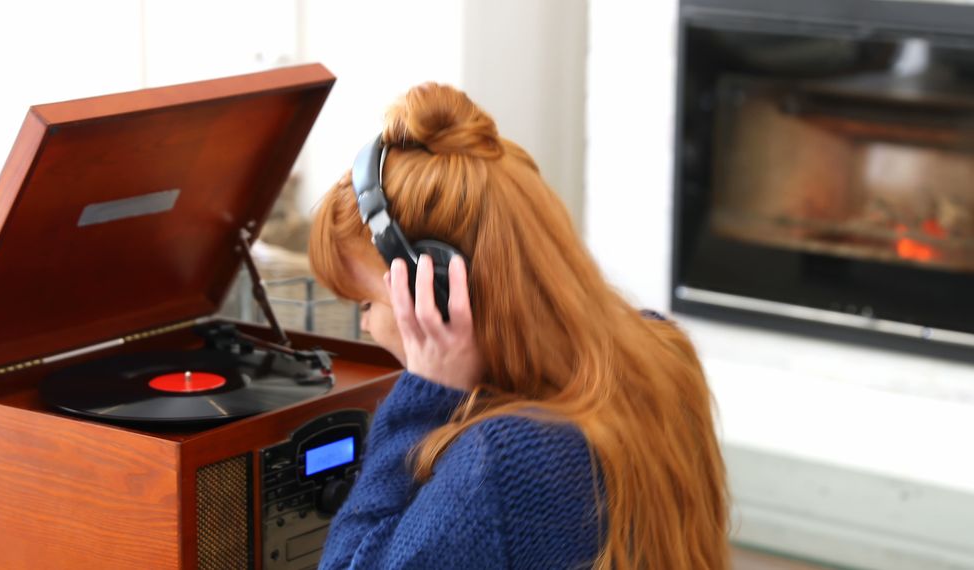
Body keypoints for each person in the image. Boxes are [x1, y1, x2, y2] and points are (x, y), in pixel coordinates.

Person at [309, 83, 728, 569]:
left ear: (441, 291)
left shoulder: (500, 461)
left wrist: (422, 397)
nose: (366, 329)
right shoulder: (662, 351)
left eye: (366, 303)